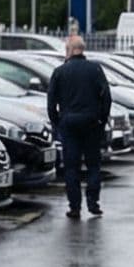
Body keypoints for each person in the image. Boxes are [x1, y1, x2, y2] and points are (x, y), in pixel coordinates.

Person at [45, 34, 112, 218]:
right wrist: (101, 120)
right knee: (93, 165)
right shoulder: (95, 69)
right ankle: (93, 203)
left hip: (69, 123)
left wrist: (57, 123)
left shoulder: (60, 72)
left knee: (71, 167)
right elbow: (106, 98)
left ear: (69, 50)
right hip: (91, 123)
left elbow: (51, 102)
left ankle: (74, 206)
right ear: (82, 50)